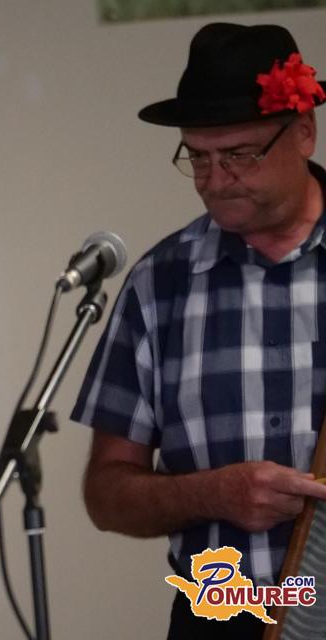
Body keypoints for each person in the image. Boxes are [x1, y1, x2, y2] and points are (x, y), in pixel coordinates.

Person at [71, 23, 326, 639]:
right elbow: (106, 495)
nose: (214, 179)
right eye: (198, 157)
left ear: (304, 132)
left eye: (239, 154)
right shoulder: (158, 284)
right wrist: (212, 494)